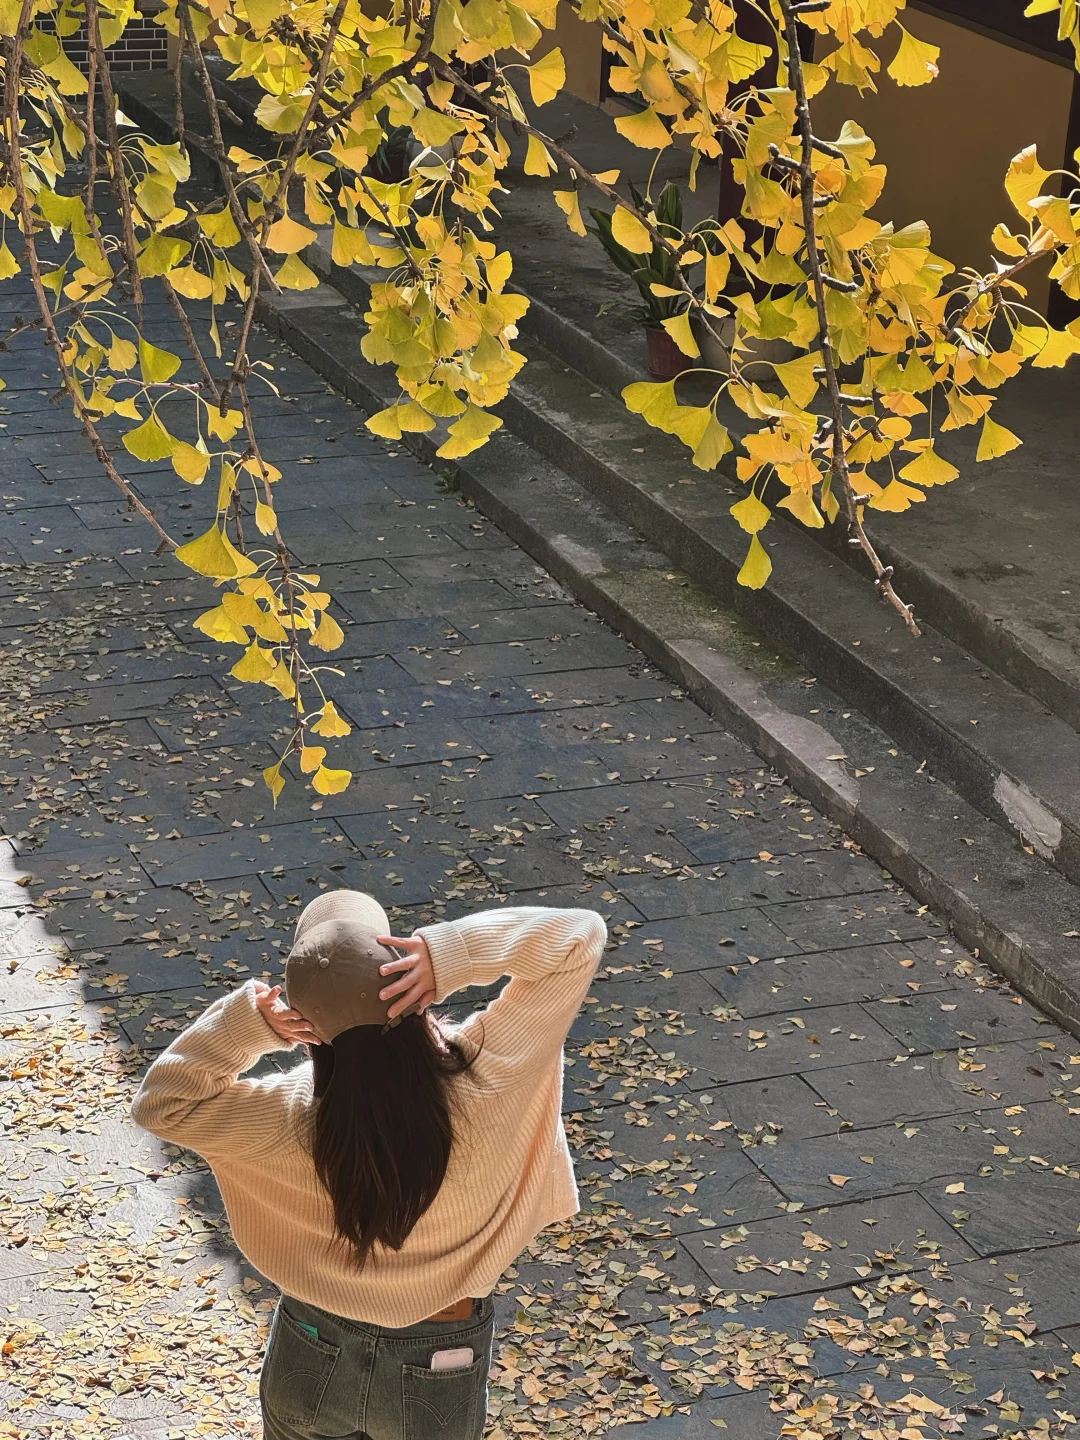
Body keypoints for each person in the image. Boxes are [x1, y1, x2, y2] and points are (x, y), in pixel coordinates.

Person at [131, 891, 606, 1440]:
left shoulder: (282, 1116)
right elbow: (578, 937)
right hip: (439, 1357)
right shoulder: (490, 1073)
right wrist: (448, 954)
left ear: (307, 1024)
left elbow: (162, 1104)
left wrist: (248, 1027)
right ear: (404, 981)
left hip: (311, 1342)